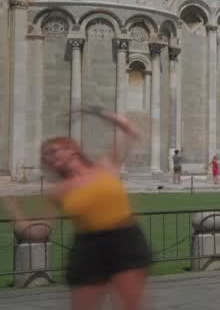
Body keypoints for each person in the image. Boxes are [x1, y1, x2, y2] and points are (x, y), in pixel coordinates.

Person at [4, 108, 150, 309]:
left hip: (125, 240)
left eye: (53, 150)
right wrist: (14, 212)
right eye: (45, 155)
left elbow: (130, 130)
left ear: (72, 149)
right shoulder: (57, 191)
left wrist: (95, 111)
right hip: (88, 248)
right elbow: (40, 231)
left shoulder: (106, 166)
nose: (49, 156)